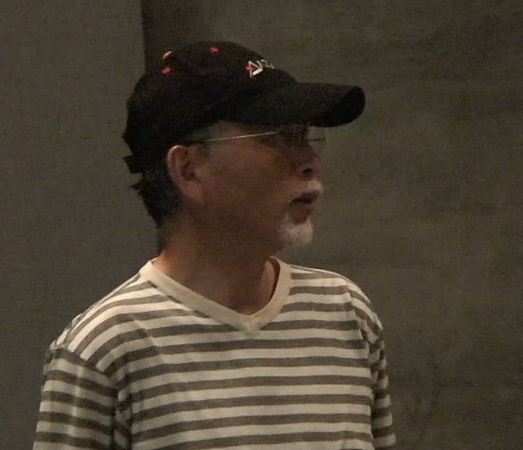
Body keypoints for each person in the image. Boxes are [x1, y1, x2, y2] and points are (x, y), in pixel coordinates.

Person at [33, 41, 395, 449]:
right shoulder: (105, 348)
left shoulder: (344, 312)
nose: (311, 160)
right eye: (281, 137)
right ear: (189, 169)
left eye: (306, 136)